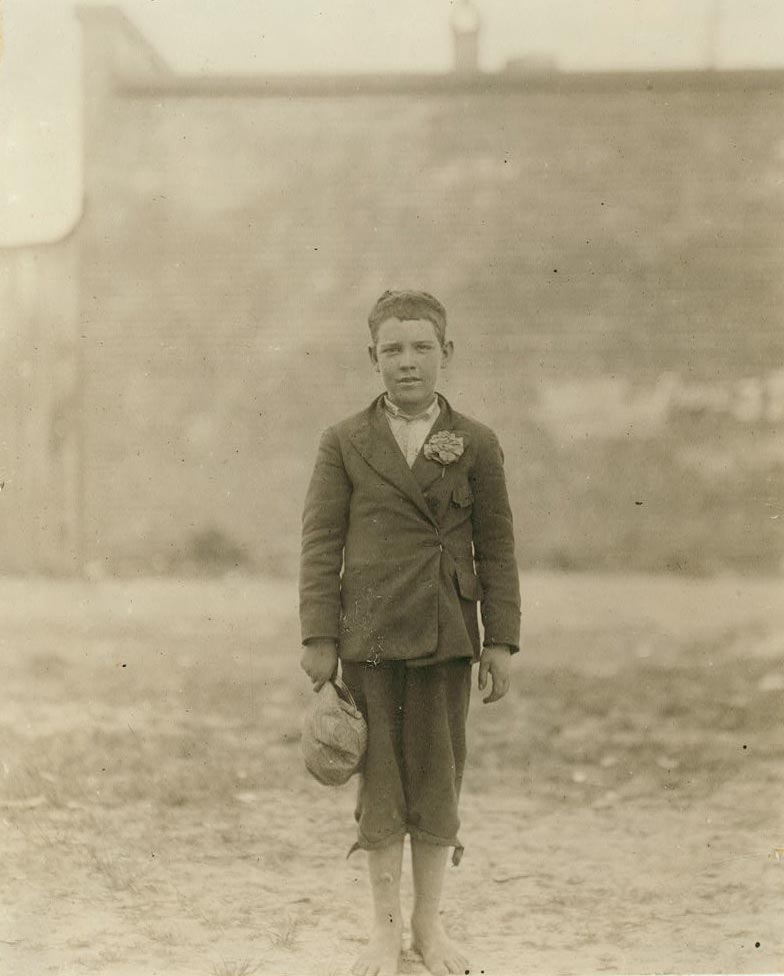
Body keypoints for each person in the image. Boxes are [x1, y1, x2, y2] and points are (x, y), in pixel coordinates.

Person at [299, 290, 521, 976]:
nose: (407, 362)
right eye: (392, 349)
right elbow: (320, 544)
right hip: (367, 635)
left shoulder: (476, 442)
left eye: (422, 347)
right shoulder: (343, 440)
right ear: (372, 358)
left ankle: (428, 925)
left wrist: (500, 641)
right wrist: (318, 638)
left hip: (445, 634)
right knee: (381, 782)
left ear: (445, 353)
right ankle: (384, 930)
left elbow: (497, 548)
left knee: (437, 778)